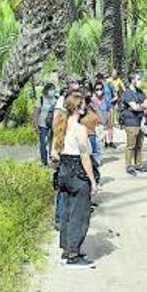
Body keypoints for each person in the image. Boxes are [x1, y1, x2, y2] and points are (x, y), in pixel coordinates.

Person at [51, 93, 99, 269]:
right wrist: (93, 181)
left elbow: (53, 154)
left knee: (66, 212)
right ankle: (73, 254)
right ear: (79, 107)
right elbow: (85, 157)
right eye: (83, 104)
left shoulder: (60, 126)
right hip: (77, 171)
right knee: (80, 213)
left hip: (63, 170)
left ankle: (67, 249)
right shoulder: (80, 129)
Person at [122, 74, 147, 176]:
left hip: (140, 121)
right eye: (138, 79)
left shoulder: (140, 92)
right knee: (131, 145)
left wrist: (139, 106)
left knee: (139, 145)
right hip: (131, 122)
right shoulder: (128, 93)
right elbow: (135, 107)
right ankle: (129, 165)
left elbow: (145, 104)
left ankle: (138, 164)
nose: (140, 81)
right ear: (132, 80)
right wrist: (140, 106)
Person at [34, 83, 57, 166]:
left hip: (54, 125)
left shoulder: (56, 99)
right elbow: (36, 114)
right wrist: (36, 126)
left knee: (53, 142)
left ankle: (53, 159)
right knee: (43, 143)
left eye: (53, 89)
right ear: (46, 90)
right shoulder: (40, 100)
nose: (52, 91)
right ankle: (44, 161)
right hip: (42, 125)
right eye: (51, 89)